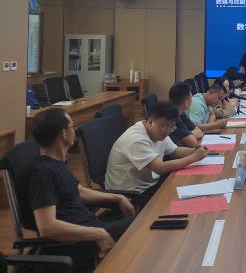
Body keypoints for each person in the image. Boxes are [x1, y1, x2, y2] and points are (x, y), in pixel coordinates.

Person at [28, 110, 136, 269]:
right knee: (142, 223)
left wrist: (117, 197)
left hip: (91, 227)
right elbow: (47, 227)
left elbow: (76, 190)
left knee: (142, 215)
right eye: (72, 126)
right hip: (79, 241)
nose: (75, 130)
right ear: (63, 133)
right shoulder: (43, 173)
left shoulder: (57, 163)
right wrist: (98, 233)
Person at [105, 101, 208, 201]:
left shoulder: (159, 130)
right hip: (131, 194)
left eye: (171, 128)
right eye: (165, 128)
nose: (167, 132)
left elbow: (175, 151)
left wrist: (195, 150)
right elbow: (160, 168)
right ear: (150, 122)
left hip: (150, 184)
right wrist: (193, 157)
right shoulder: (136, 140)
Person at [166, 83, 203, 147]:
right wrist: (188, 136)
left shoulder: (180, 112)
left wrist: (187, 135)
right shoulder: (172, 116)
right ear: (186, 102)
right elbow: (192, 142)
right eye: (191, 98)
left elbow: (199, 132)